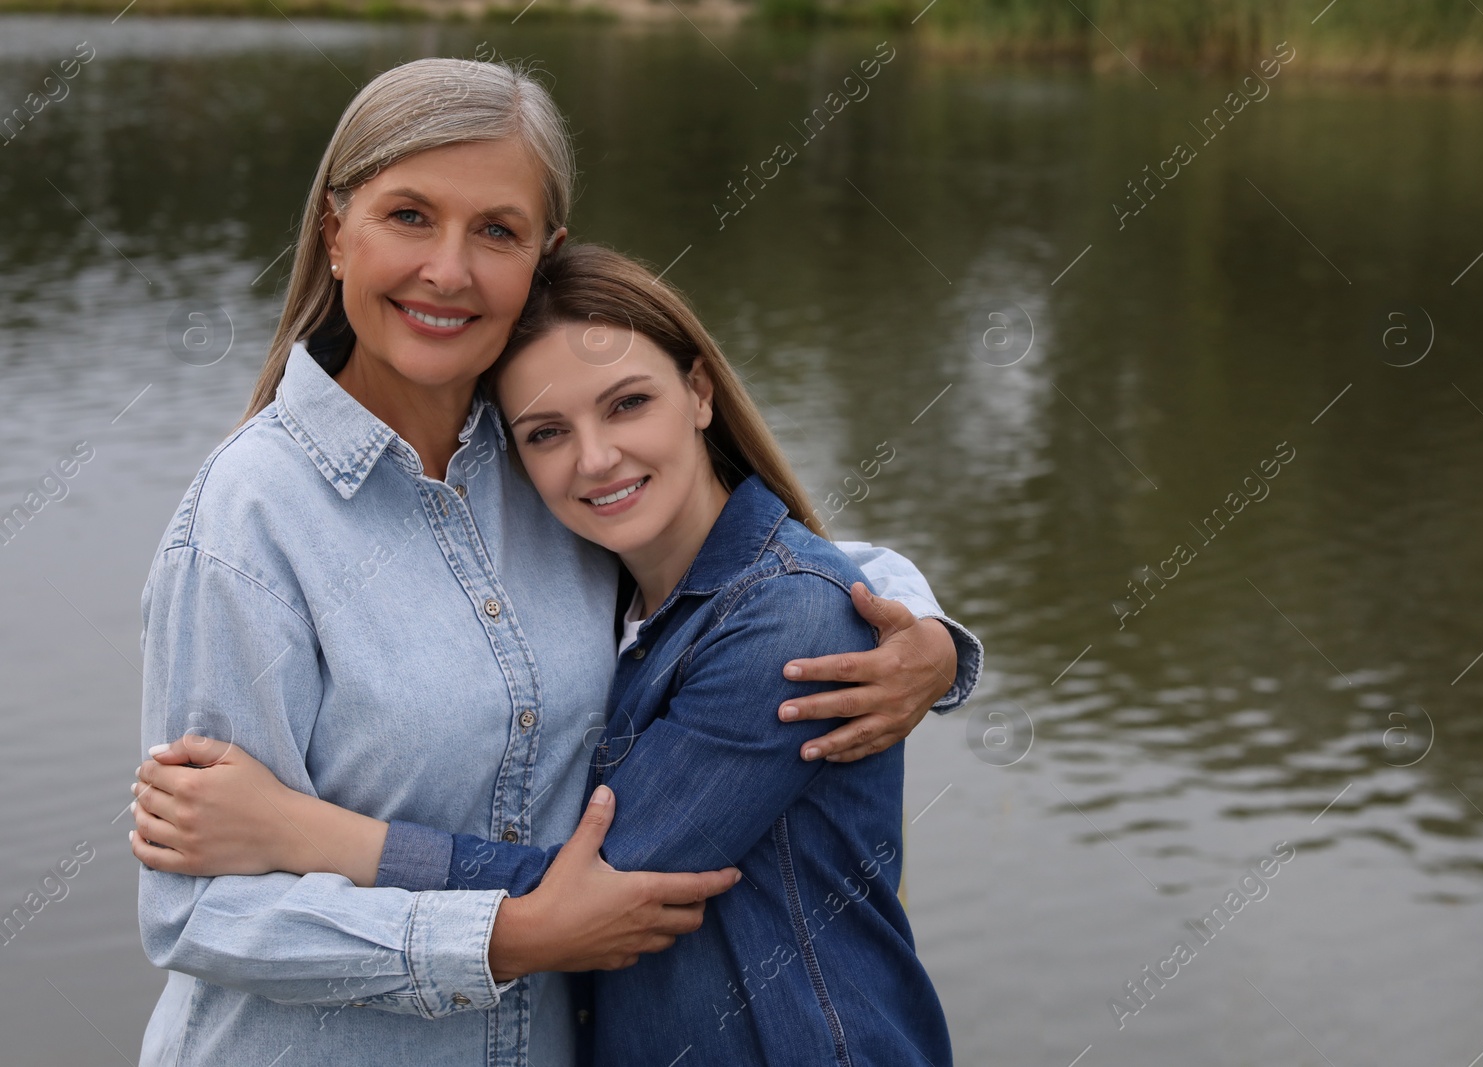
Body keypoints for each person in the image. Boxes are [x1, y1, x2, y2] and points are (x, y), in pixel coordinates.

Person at [131, 57, 980, 1067]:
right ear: (333, 228)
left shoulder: (541, 459)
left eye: (496, 229)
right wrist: (500, 938)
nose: (448, 269)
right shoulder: (247, 522)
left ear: (544, 255)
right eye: (409, 214)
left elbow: (740, 572)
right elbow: (196, 916)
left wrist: (922, 633)